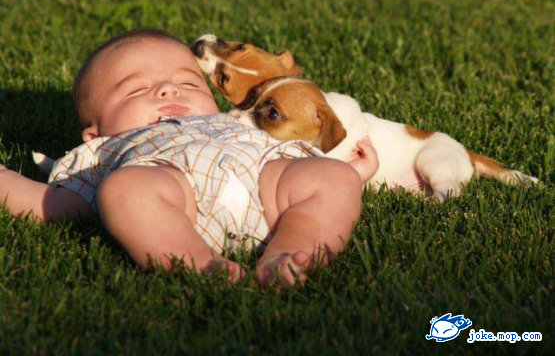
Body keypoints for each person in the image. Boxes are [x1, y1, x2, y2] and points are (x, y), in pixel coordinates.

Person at [0, 29, 379, 287]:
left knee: (333, 177)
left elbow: (298, 162)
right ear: (96, 135)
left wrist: (347, 172)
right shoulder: (106, 154)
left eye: (187, 82)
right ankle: (198, 262)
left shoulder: (235, 125)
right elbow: (49, 204)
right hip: (175, 194)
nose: (168, 90)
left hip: (266, 186)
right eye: (136, 90)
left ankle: (292, 252)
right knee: (125, 189)